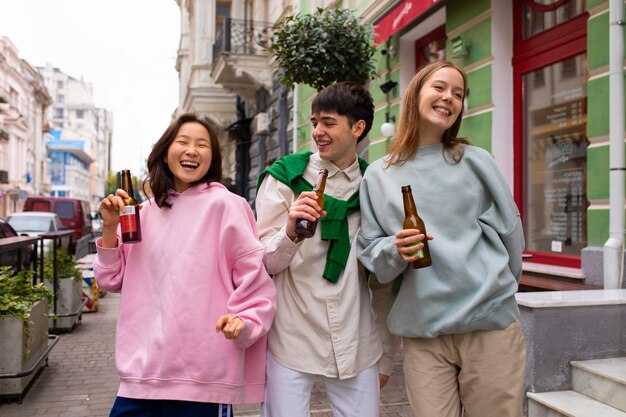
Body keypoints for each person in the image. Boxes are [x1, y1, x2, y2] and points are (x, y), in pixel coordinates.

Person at [357, 61, 527, 417]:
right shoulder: (378, 175)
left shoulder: (477, 162)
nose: (449, 97)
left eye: (459, 93)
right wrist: (396, 249)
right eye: (439, 87)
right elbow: (372, 254)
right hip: (423, 333)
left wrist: (496, 290)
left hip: (488, 325)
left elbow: (511, 233)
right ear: (415, 93)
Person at [94, 113, 277, 417]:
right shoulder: (142, 215)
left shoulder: (227, 206)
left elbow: (255, 282)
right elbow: (112, 280)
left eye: (202, 145)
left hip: (204, 379)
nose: (192, 150)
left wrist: (243, 321)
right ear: (165, 154)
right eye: (183, 142)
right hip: (141, 376)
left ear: (212, 158)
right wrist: (109, 229)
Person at [255, 81, 397, 417]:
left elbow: (382, 282)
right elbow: (265, 263)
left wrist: (387, 353)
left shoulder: (374, 185)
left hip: (356, 339)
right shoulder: (285, 177)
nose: (318, 131)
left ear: (357, 127)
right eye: (314, 122)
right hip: (291, 335)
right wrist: (290, 231)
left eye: (329, 123)